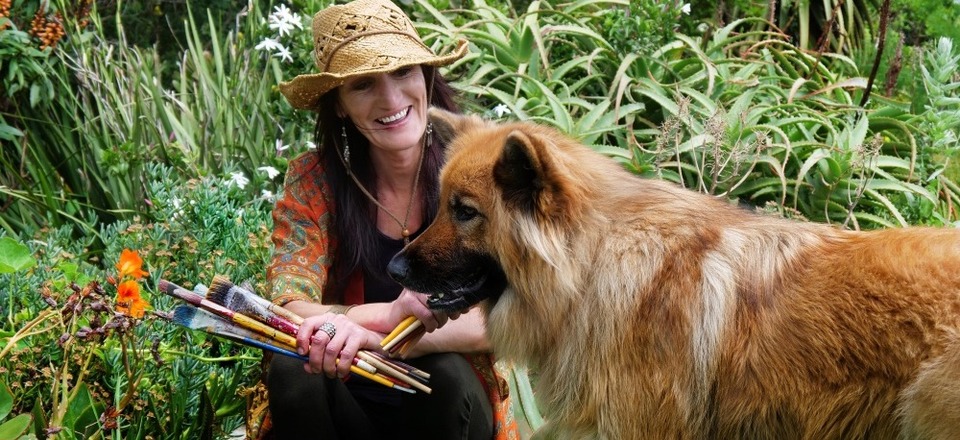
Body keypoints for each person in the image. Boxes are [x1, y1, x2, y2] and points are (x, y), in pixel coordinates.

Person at [262, 0, 519, 438]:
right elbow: (287, 306)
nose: (391, 98)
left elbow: (499, 318)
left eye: (402, 72)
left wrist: (380, 337)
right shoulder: (314, 181)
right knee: (293, 367)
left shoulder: (478, 169)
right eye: (363, 84)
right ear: (339, 104)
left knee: (447, 374)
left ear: (426, 76)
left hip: (447, 410)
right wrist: (387, 312)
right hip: (345, 405)